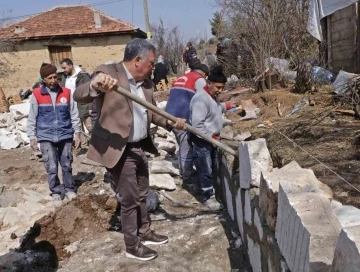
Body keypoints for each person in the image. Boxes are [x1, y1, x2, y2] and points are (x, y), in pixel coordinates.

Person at [73, 38, 186, 261]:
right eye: (151, 63)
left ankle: (145, 232)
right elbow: (79, 94)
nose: (154, 67)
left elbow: (151, 113)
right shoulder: (108, 72)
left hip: (138, 146)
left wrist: (171, 122)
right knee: (130, 198)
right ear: (137, 60)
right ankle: (132, 245)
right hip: (118, 148)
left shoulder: (146, 84)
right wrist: (96, 85)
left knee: (143, 192)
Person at [27, 63, 81, 206]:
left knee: (67, 164)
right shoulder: (37, 94)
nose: (53, 80)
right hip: (46, 135)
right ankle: (56, 192)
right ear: (43, 79)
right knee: (51, 166)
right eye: (49, 78)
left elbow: (74, 114)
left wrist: (77, 132)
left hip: (65, 134)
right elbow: (32, 116)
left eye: (55, 77)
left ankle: (69, 189)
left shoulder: (67, 92)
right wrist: (32, 136)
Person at [189, 66, 236, 211]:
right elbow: (197, 126)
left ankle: (208, 190)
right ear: (208, 83)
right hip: (202, 140)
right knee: (205, 169)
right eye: (218, 87)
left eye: (222, 88)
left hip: (210, 139)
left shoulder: (212, 97)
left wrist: (225, 106)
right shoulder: (200, 100)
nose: (220, 91)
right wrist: (212, 137)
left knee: (211, 167)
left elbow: (214, 108)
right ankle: (207, 198)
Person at [165, 63, 209, 186]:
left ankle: (183, 170)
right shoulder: (199, 80)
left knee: (181, 143)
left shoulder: (181, 78)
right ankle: (187, 176)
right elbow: (205, 98)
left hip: (169, 115)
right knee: (187, 146)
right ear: (204, 74)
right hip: (182, 118)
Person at [59, 58, 91, 146]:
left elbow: (90, 92)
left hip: (84, 105)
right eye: (62, 68)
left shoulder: (83, 76)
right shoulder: (64, 78)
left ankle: (96, 145)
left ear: (70, 65)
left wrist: (91, 106)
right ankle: (83, 145)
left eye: (64, 67)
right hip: (71, 106)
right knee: (78, 127)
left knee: (90, 126)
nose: (63, 70)